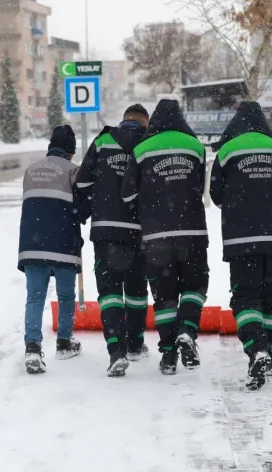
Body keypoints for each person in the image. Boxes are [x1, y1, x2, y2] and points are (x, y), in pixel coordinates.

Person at [210, 101, 272, 390]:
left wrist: (242, 205)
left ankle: (256, 348)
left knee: (246, 296)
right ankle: (271, 354)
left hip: (242, 240)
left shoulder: (226, 152)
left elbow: (216, 195)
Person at [121, 99, 208, 375]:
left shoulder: (141, 149)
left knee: (164, 297)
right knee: (195, 285)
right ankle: (187, 330)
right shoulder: (195, 147)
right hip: (192, 231)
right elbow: (199, 185)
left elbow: (128, 194)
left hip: (156, 236)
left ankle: (169, 355)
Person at [75, 104, 151, 377]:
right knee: (136, 292)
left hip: (106, 230)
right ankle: (135, 344)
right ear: (145, 122)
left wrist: (94, 204)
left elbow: (82, 184)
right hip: (140, 230)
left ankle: (116, 351)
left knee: (109, 293)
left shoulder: (103, 141)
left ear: (124, 120)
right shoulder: (148, 142)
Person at [18, 125, 86, 374]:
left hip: (31, 245)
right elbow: (80, 208)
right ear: (70, 151)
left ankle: (32, 348)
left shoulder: (31, 170)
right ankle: (64, 342)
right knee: (66, 295)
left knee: (35, 297)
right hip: (63, 244)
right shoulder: (72, 171)